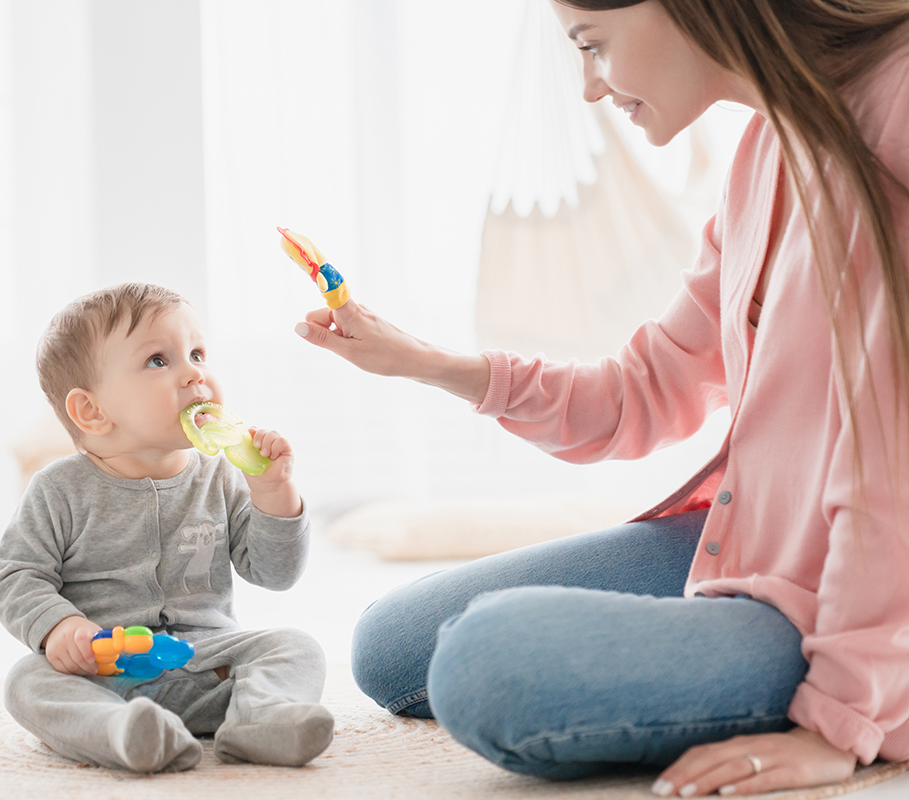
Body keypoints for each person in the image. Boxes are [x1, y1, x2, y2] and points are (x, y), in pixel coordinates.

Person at [293, 0, 909, 796]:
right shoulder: (767, 152)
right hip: (777, 546)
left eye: (593, 45)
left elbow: (892, 459)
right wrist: (427, 362)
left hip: (881, 576)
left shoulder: (891, 104)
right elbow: (644, 392)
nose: (590, 85)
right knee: (394, 644)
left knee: (491, 665)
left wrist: (843, 719)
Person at [0, 282, 333, 773]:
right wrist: (60, 629)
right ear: (92, 410)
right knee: (26, 681)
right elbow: (16, 577)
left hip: (208, 664)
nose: (194, 372)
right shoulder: (59, 489)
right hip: (104, 668)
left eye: (197, 353)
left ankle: (262, 720)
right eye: (159, 360)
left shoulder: (220, 475)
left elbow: (275, 574)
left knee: (295, 646)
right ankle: (124, 733)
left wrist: (273, 493)